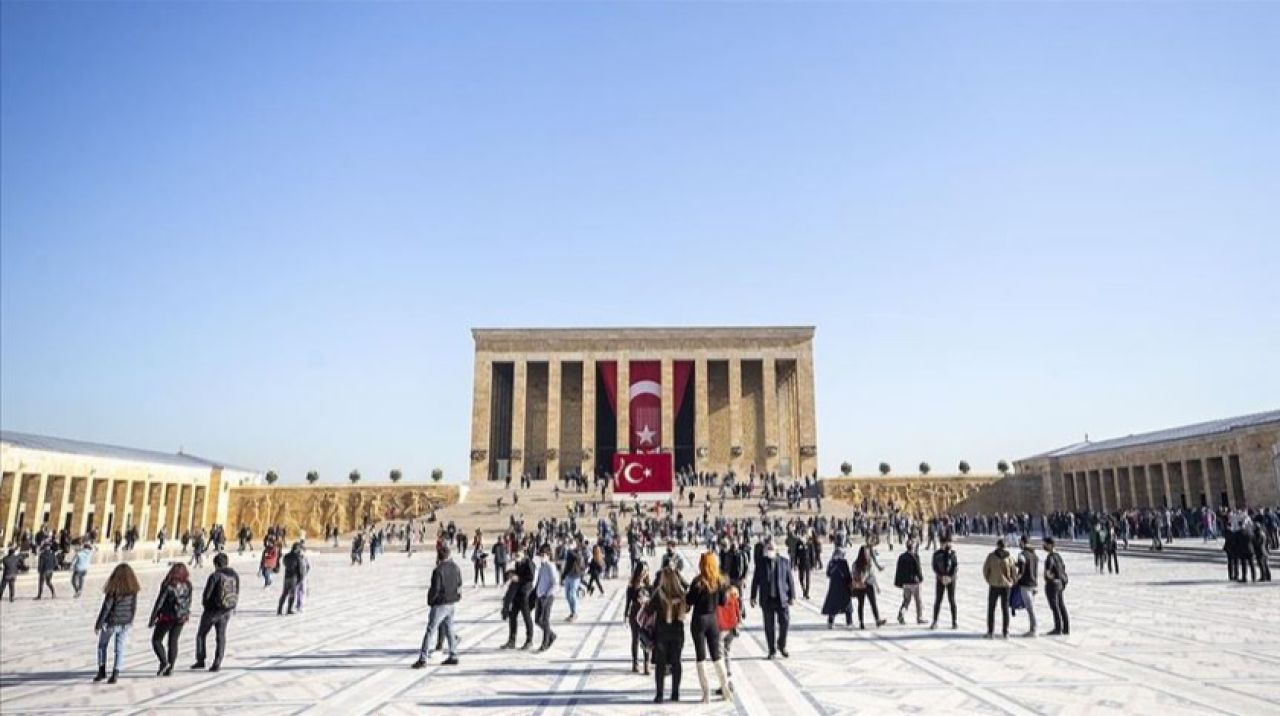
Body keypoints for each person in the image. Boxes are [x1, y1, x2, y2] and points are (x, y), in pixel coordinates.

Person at [686, 551, 731, 702]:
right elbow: (723, 602)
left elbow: (689, 601)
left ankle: (706, 694)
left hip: (698, 620)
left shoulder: (697, 582)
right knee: (717, 656)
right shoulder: (720, 581)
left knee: (701, 657)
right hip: (713, 620)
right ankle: (725, 689)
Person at [412, 544, 463, 667]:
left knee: (430, 630)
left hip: (440, 603)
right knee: (449, 630)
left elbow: (435, 588)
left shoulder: (438, 570)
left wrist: (431, 600)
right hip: (451, 603)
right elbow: (459, 583)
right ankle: (453, 655)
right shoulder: (455, 567)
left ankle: (423, 658)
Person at [94, 563, 140, 684]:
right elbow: (133, 607)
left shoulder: (113, 590)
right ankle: (115, 673)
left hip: (112, 622)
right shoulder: (133, 590)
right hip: (125, 622)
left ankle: (101, 670)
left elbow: (106, 607)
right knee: (119, 648)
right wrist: (130, 619)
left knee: (102, 645)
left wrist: (99, 623)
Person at [192, 552, 239, 672]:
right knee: (221, 636)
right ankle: (217, 662)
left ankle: (201, 659)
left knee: (201, 634)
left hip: (212, 611)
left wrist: (206, 606)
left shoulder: (215, 575)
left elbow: (207, 594)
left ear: (216, 564)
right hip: (226, 610)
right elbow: (236, 592)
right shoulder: (234, 575)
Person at [750, 539, 794, 658]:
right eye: (768, 549)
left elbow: (790, 580)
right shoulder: (761, 563)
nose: (769, 551)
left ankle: (781, 644)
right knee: (769, 626)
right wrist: (753, 596)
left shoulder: (784, 562)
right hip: (767, 599)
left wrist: (792, 596)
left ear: (776, 550)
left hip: (781, 598)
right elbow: (755, 581)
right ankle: (772, 650)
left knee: (785, 623)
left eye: (771, 549)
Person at [648, 565, 687, 703]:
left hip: (662, 634)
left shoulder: (659, 594)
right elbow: (687, 609)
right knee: (676, 663)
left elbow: (648, 610)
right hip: (677, 633)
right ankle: (675, 693)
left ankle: (659, 695)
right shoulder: (681, 595)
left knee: (660, 664)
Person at [148, 563, 192, 676]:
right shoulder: (188, 584)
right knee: (173, 641)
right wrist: (185, 612)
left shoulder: (168, 585)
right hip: (181, 617)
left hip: (168, 616)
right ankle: (171, 667)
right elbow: (189, 601)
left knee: (156, 640)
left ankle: (164, 662)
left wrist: (153, 617)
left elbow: (160, 602)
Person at [501, 548, 536, 650]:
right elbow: (517, 573)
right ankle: (512, 640)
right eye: (515, 556)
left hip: (525, 593)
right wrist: (511, 574)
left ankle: (529, 640)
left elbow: (531, 577)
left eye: (518, 556)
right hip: (517, 593)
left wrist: (519, 578)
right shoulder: (518, 563)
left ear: (523, 555)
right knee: (512, 616)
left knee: (526, 617)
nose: (516, 558)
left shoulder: (529, 563)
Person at [982, 538, 1017, 639]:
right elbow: (1014, 571)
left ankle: (990, 631)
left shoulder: (991, 556)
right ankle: (1005, 632)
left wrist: (989, 579)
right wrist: (1012, 581)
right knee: (1005, 609)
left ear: (997, 545)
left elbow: (985, 570)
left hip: (994, 585)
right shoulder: (1009, 557)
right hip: (1006, 586)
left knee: (991, 608)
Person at [821, 535, 854, 629]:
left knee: (833, 604)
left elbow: (828, 573)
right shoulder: (843, 562)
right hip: (843, 586)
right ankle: (849, 622)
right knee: (847, 605)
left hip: (834, 586)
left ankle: (830, 622)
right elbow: (848, 575)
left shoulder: (831, 562)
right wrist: (850, 585)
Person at [625, 562, 652, 674]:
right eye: (642, 571)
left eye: (646, 571)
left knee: (646, 639)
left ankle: (647, 664)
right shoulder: (631, 587)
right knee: (635, 639)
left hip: (646, 615)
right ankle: (635, 663)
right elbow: (628, 602)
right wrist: (625, 614)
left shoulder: (649, 586)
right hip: (635, 614)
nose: (644, 573)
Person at [851, 545, 885, 629]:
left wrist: (877, 586)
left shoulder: (856, 564)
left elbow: (853, 574)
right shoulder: (867, 564)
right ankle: (865, 622)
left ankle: (874, 621)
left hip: (862, 585)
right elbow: (870, 575)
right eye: (867, 553)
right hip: (864, 585)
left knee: (869, 603)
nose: (868, 554)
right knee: (865, 604)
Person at [1042, 537, 1070, 635]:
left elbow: (1048, 572)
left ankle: (1058, 628)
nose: (1044, 546)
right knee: (1061, 605)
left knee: (1055, 606)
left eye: (1045, 544)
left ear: (1050, 545)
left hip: (1053, 584)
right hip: (1060, 583)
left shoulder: (1050, 557)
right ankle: (1066, 628)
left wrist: (1047, 576)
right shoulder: (1058, 556)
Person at [534, 544, 559, 652]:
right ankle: (551, 635)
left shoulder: (550, 566)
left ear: (548, 555)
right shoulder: (542, 566)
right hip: (540, 595)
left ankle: (545, 643)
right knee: (537, 620)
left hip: (547, 596)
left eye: (544, 554)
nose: (542, 556)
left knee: (545, 620)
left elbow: (555, 583)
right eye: (541, 555)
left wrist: (547, 594)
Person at [893, 540, 925, 625]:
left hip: (905, 583)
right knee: (918, 600)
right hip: (914, 582)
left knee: (906, 600)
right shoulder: (915, 556)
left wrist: (899, 582)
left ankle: (901, 613)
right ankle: (919, 617)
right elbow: (918, 569)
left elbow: (898, 570)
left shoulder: (902, 556)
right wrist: (921, 578)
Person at [930, 536, 958, 630]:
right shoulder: (937, 554)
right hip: (940, 579)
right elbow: (934, 567)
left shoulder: (952, 553)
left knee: (952, 600)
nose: (947, 544)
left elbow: (955, 566)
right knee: (938, 600)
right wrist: (941, 576)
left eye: (948, 543)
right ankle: (935, 621)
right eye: (945, 543)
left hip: (951, 580)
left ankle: (954, 621)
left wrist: (950, 577)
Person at [1016, 535, 1039, 637]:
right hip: (1034, 583)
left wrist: (1015, 580)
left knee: (1030, 608)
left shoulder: (1022, 555)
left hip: (1026, 584)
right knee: (1031, 607)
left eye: (1019, 542)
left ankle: (1034, 629)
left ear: (1022, 542)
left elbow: (1021, 571)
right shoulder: (1034, 555)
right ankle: (1033, 628)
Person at [278, 542, 305, 615]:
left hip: (287, 576)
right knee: (292, 594)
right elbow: (300, 568)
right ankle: (289, 609)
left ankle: (279, 609)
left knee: (284, 593)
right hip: (294, 577)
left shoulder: (287, 556)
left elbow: (284, 563)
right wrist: (301, 578)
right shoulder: (298, 557)